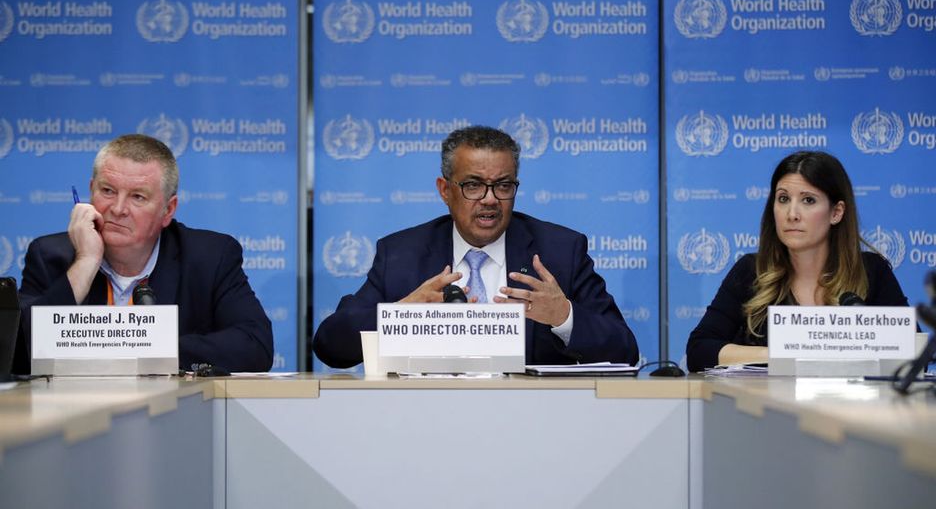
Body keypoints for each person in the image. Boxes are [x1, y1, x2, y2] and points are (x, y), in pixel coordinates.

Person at [313, 125, 638, 368]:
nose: (490, 199)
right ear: (445, 190)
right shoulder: (401, 255)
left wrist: (563, 316)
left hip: (533, 421)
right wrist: (400, 315)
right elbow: (330, 346)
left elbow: (625, 351)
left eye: (503, 185)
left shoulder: (560, 252)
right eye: (473, 185)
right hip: (424, 420)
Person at [14, 134, 273, 373]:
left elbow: (255, 345)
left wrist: (143, 349)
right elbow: (17, 355)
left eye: (137, 197)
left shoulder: (208, 257)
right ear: (91, 191)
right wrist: (86, 261)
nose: (118, 209)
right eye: (107, 191)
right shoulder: (50, 256)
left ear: (168, 210)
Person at [685, 150, 909, 372]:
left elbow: (910, 352)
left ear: (836, 213)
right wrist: (788, 353)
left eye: (808, 200)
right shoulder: (752, 271)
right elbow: (699, 350)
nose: (792, 214)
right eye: (783, 199)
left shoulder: (870, 272)